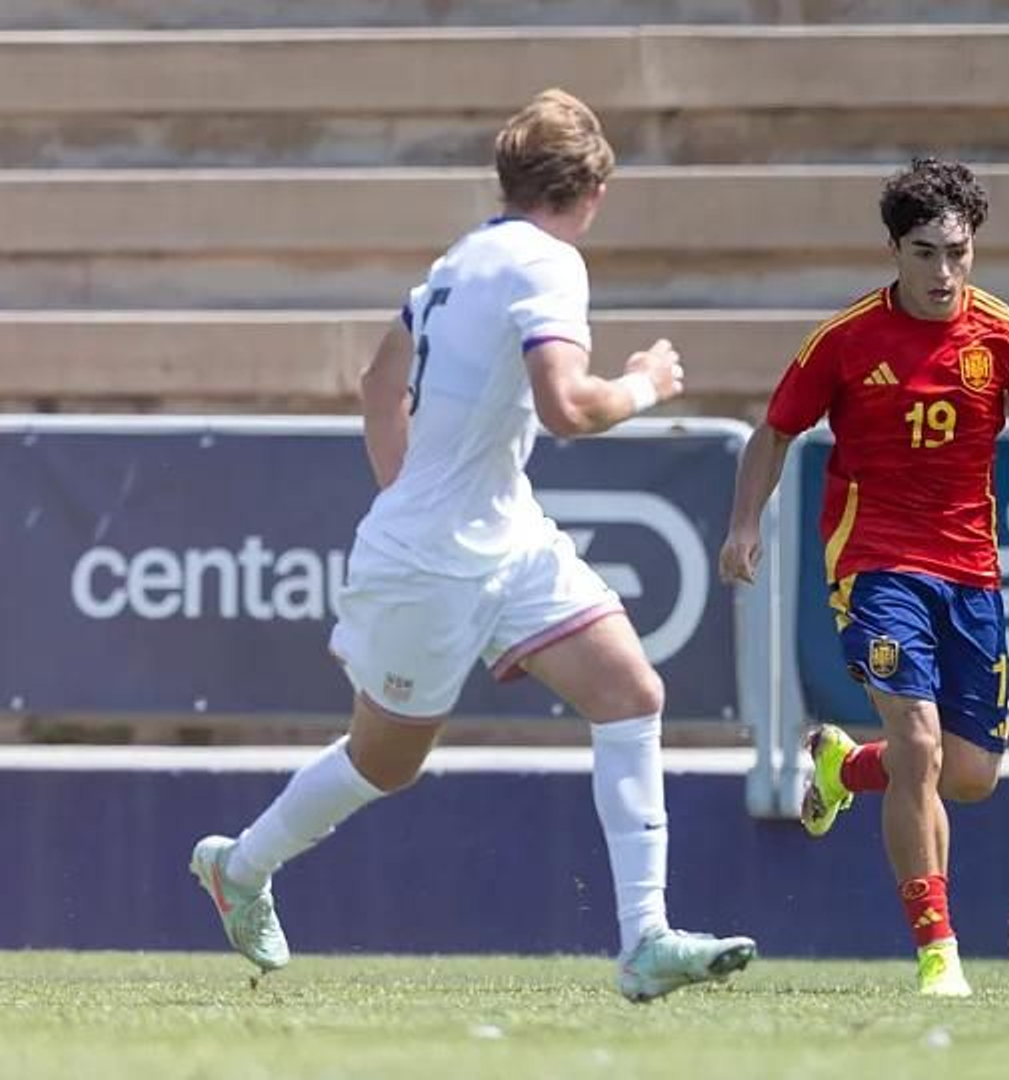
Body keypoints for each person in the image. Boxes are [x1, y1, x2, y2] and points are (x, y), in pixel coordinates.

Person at [190, 88, 755, 1003]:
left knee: (630, 692)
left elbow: (378, 387)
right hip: (433, 559)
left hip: (507, 534)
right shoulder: (549, 264)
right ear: (593, 190)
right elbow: (571, 408)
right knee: (386, 762)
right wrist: (646, 383)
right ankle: (242, 866)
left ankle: (645, 937)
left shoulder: (457, 261)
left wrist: (412, 493)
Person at [719, 158, 1009, 997]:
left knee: (968, 774)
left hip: (971, 571)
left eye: (958, 253)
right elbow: (774, 432)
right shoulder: (845, 341)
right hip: (873, 564)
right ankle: (939, 954)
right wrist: (744, 524)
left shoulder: (1006, 337)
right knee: (919, 743)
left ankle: (842, 769)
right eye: (924, 253)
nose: (944, 273)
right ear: (893, 251)